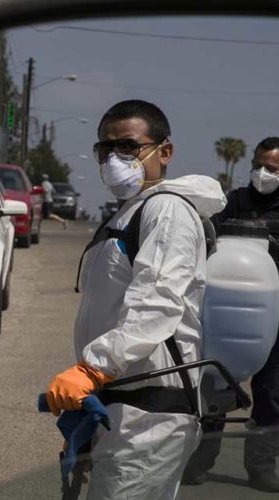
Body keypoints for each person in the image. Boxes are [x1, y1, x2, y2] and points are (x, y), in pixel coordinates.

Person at [45, 99, 226, 500]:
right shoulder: (130, 213)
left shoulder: (168, 211)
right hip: (121, 408)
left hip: (149, 419)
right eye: (105, 148)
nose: (114, 158)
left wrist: (92, 369)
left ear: (164, 152)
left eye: (127, 146)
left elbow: (157, 304)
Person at [182, 137, 279, 492]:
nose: (262, 173)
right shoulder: (234, 201)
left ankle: (261, 466)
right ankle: (201, 459)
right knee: (215, 387)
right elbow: (203, 237)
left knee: (272, 391)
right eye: (257, 165)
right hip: (226, 313)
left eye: (270, 167)